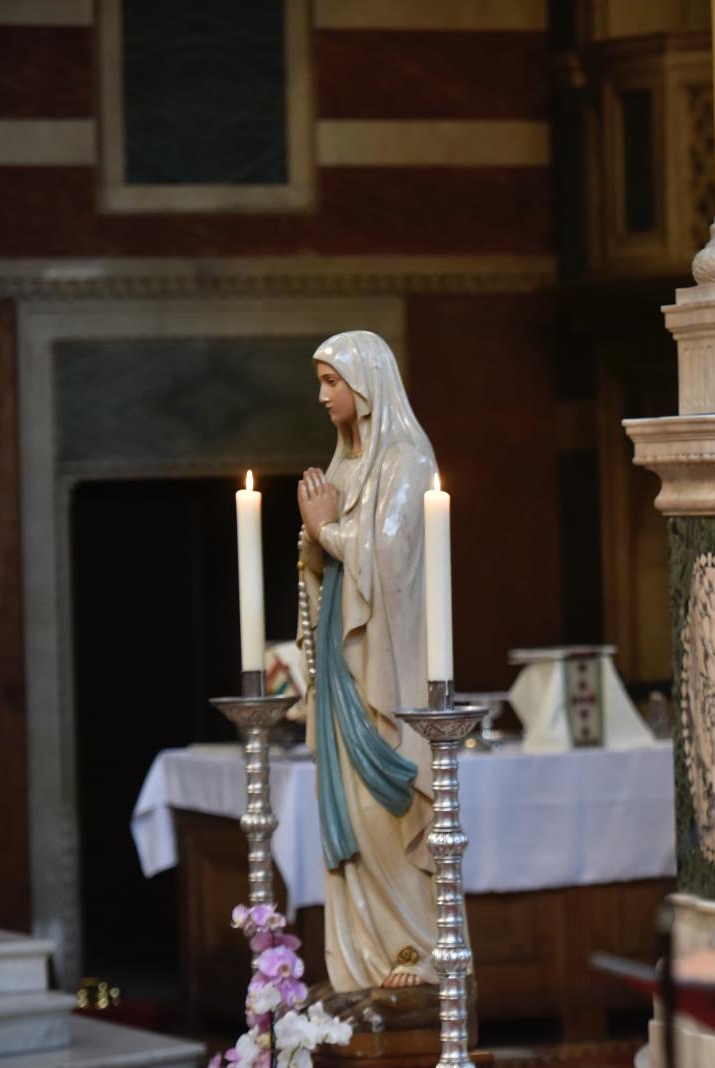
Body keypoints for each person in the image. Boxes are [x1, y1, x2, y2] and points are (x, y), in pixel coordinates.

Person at [296, 330, 439, 991]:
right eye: (321, 381)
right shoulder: (345, 465)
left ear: (367, 384)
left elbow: (388, 557)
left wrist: (326, 529)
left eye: (332, 382)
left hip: (382, 669)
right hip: (339, 666)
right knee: (350, 814)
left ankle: (413, 949)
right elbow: (328, 571)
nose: (322, 395)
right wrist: (315, 546)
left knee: (385, 814)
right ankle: (361, 958)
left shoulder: (406, 458)